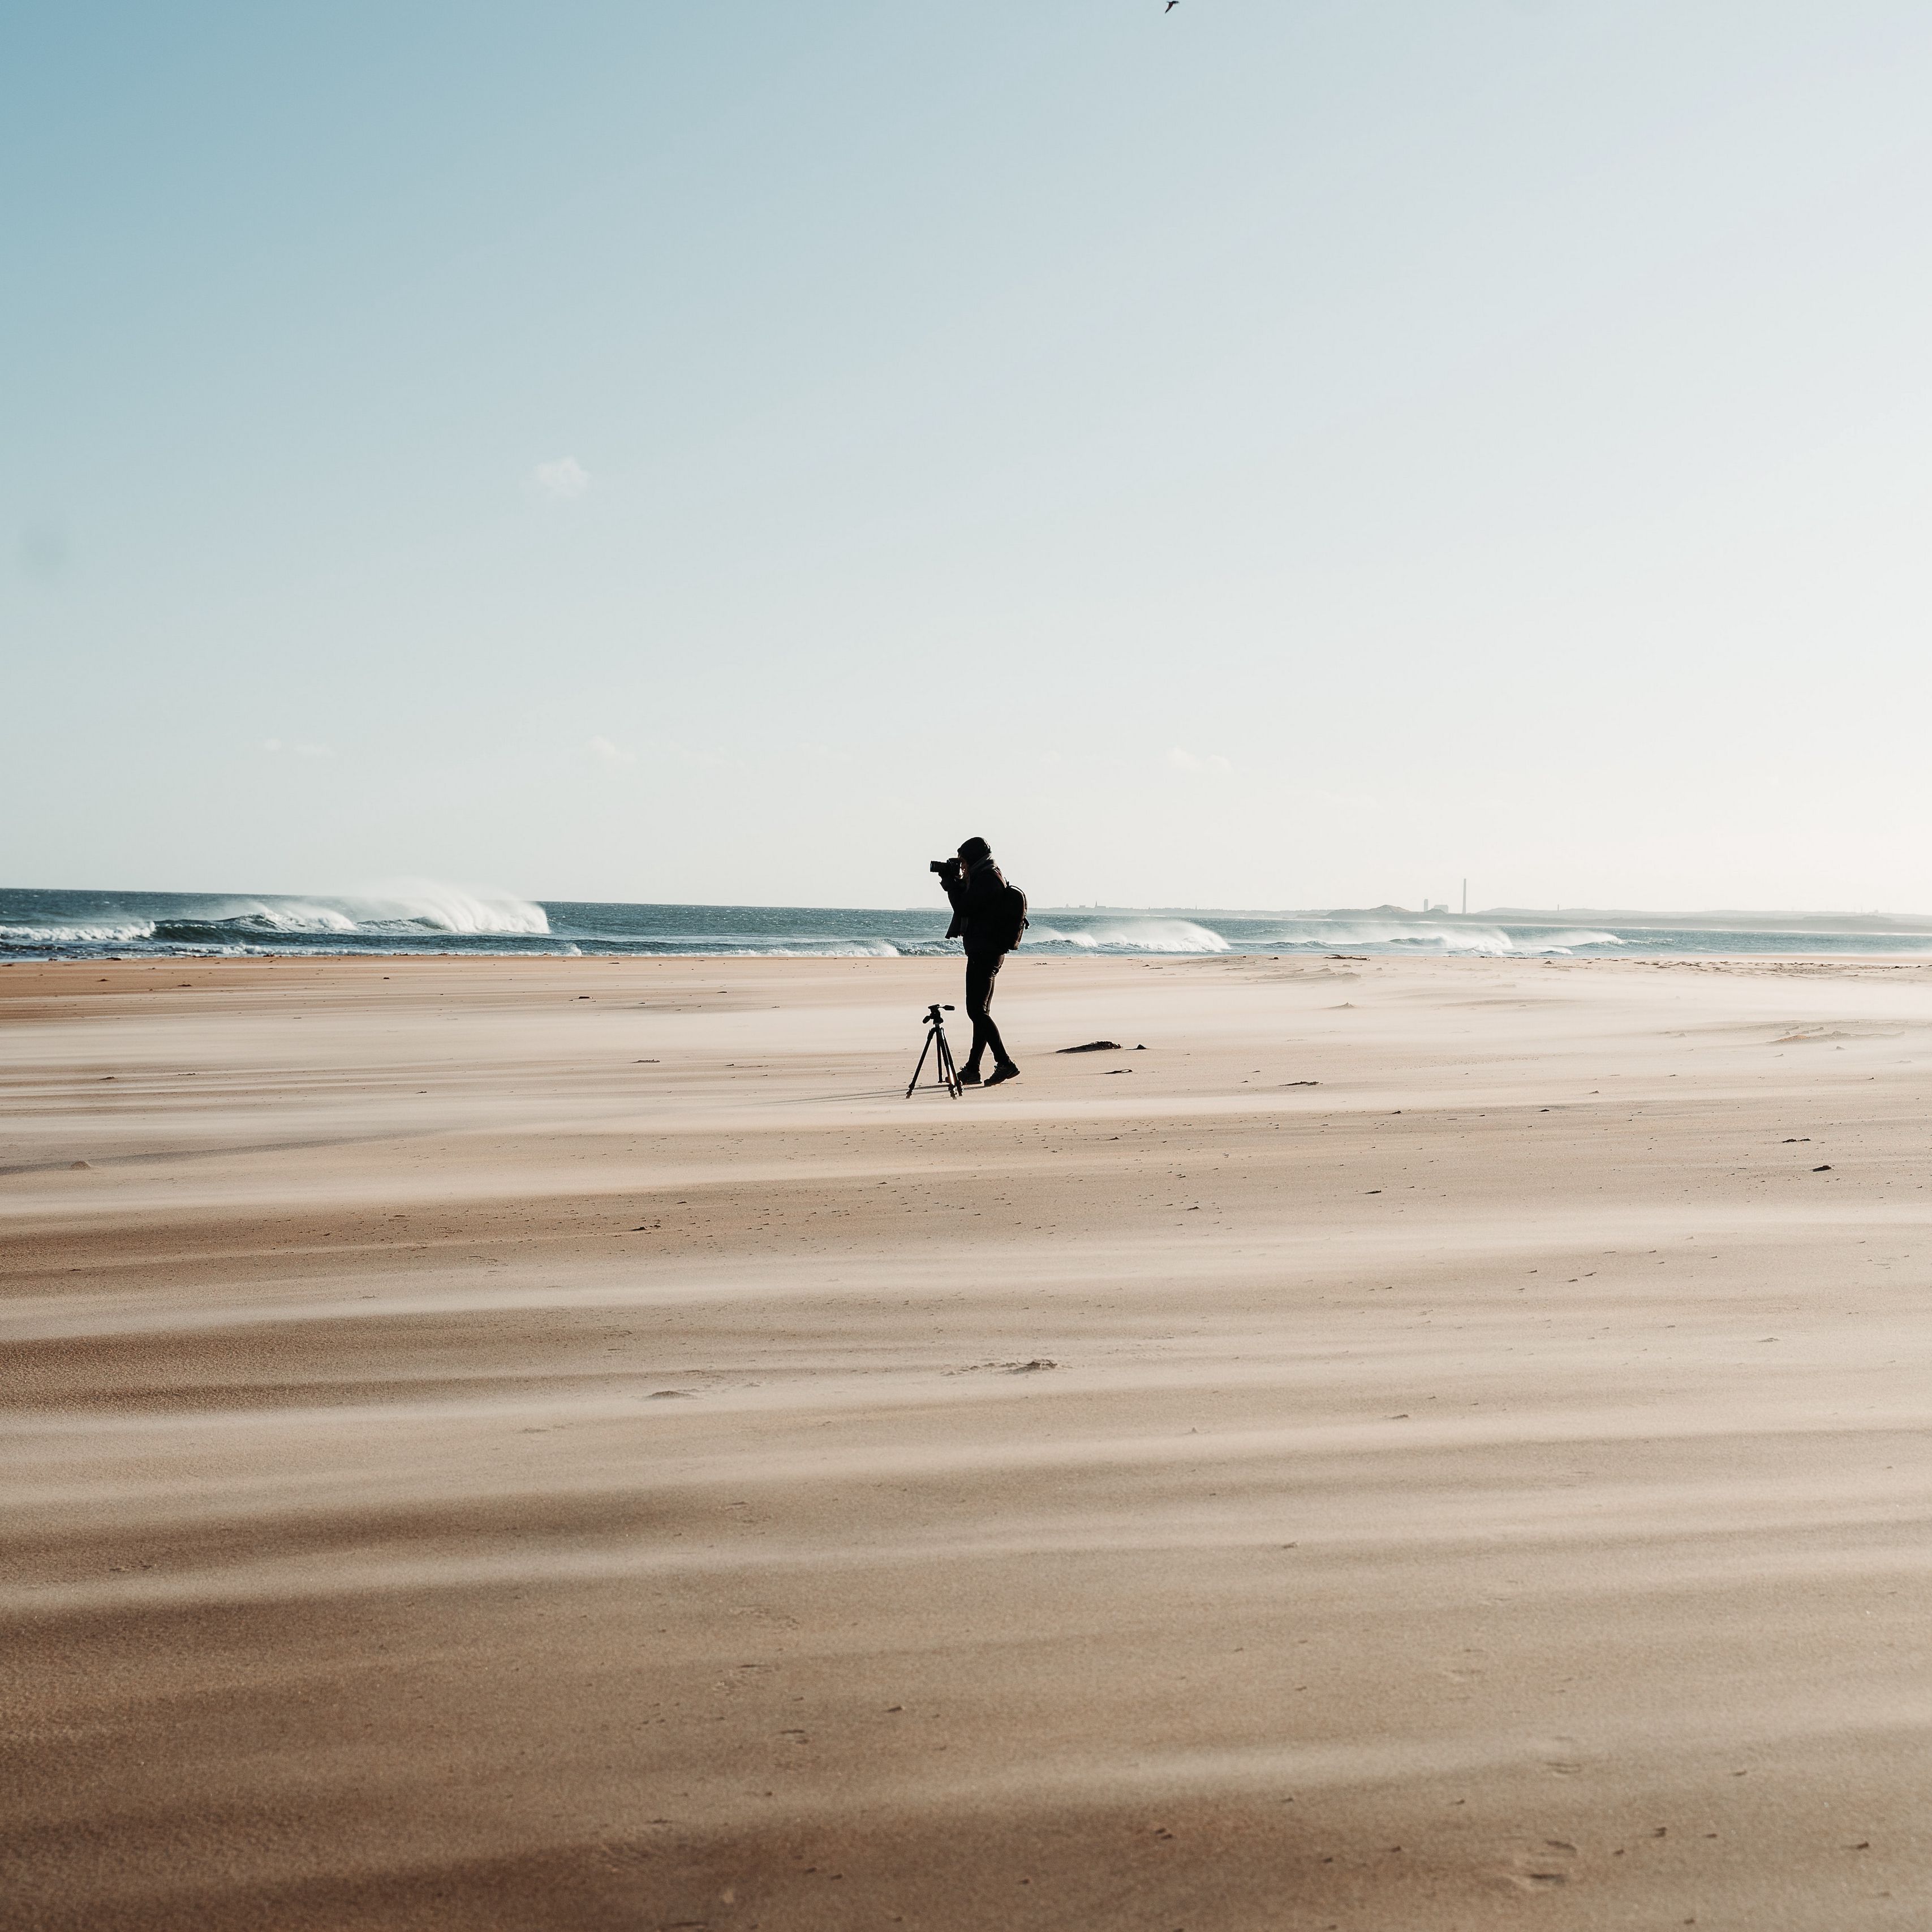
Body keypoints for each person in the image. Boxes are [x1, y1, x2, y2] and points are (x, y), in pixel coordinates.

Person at [936, 836, 1021, 1086]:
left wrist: (952, 884)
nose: (961, 866)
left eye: (963, 861)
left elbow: (964, 907)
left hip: (985, 951)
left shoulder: (988, 879)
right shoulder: (986, 875)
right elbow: (972, 903)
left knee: (976, 1011)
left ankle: (1005, 1063)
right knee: (980, 1012)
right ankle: (973, 1069)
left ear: (973, 858)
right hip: (986, 950)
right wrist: (956, 882)